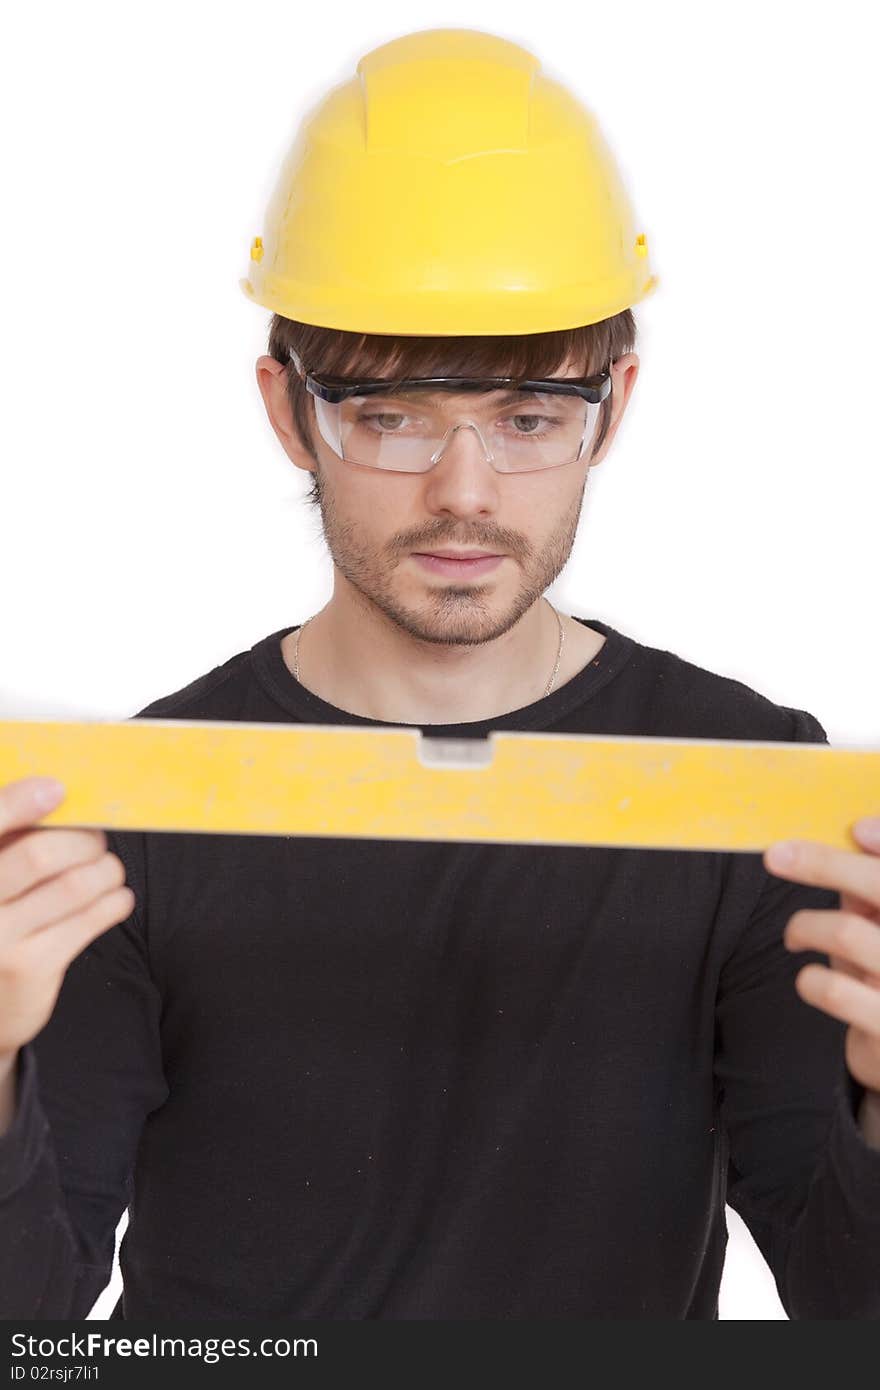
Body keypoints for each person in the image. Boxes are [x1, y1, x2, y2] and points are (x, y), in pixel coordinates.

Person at [1, 28, 878, 1322]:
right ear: (288, 407)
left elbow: (845, 1300)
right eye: (391, 413)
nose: (462, 492)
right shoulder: (144, 805)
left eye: (528, 416)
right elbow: (30, 1314)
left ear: (615, 406)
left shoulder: (748, 792)